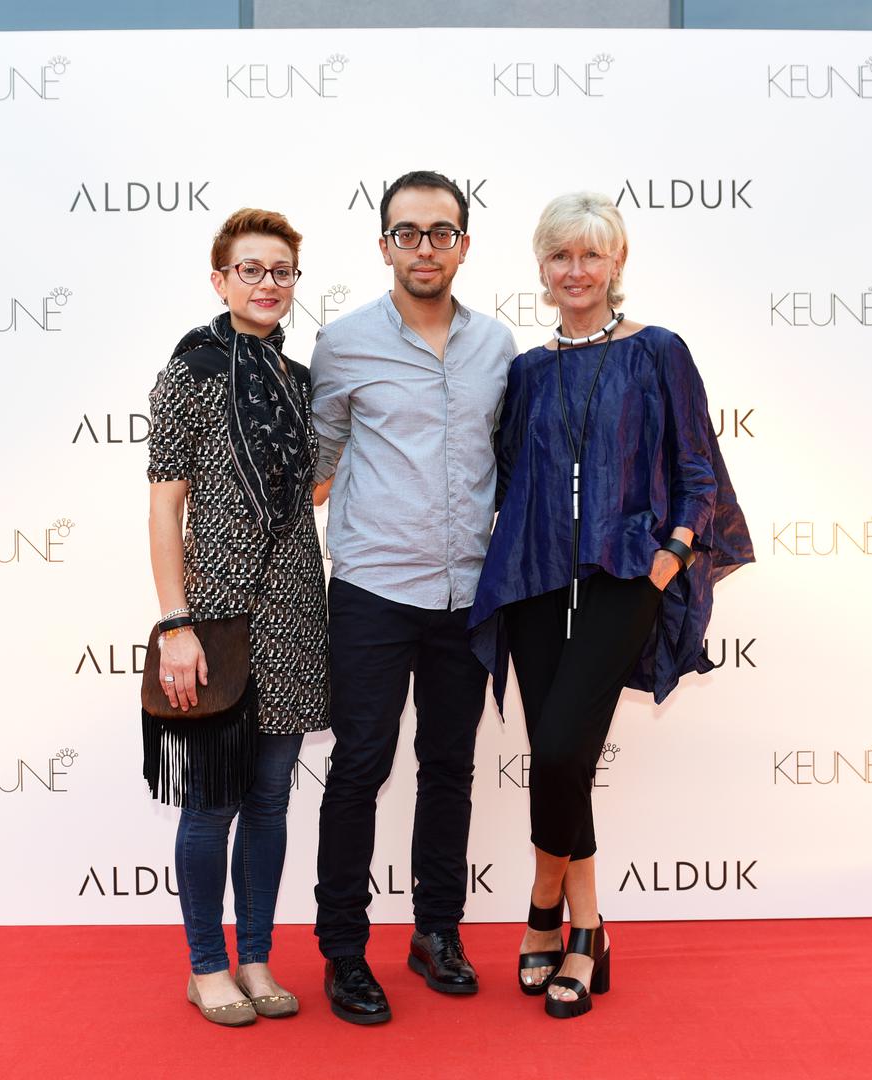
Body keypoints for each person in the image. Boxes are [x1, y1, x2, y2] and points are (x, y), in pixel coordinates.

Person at [470, 192, 753, 1019]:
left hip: (628, 575)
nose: (576, 270)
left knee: (560, 748)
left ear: (616, 262)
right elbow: (511, 478)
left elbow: (698, 469)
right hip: (532, 581)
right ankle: (579, 928)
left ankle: (548, 911)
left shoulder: (659, 351)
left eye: (591, 254)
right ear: (542, 266)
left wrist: (671, 556)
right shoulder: (527, 371)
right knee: (562, 760)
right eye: (561, 255)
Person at [310, 170, 516, 1025]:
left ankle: (437, 932)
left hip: (467, 593)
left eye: (440, 232)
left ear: (464, 244)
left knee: (450, 768)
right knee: (360, 766)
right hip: (373, 589)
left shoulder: (498, 346)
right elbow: (317, 462)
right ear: (383, 244)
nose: (423, 247)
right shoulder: (343, 342)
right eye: (407, 232)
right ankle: (343, 950)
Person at [145, 208, 328, 1027]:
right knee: (212, 803)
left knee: (270, 801)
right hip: (215, 615)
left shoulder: (300, 382)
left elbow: (309, 488)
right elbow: (165, 505)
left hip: (294, 611)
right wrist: (174, 624)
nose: (267, 284)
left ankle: (255, 958)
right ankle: (206, 966)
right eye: (250, 269)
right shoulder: (190, 372)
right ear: (220, 280)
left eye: (281, 271)